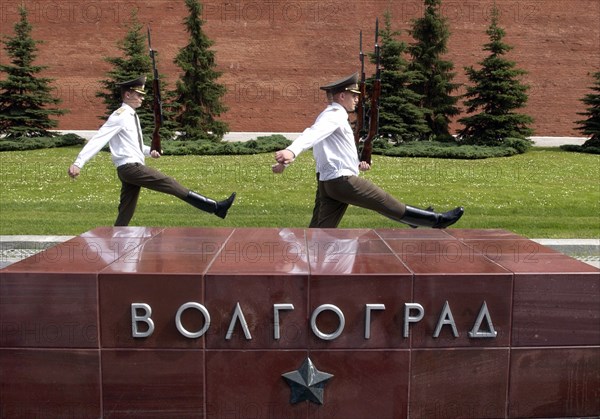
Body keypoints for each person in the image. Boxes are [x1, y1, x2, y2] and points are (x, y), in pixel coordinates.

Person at [273, 73, 464, 228]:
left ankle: (305, 268)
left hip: (329, 183)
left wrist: (286, 162)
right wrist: (292, 151)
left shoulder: (329, 115)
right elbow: (312, 134)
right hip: (342, 182)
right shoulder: (334, 115)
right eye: (353, 95)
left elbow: (327, 148)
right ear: (342, 96)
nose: (357, 99)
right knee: (384, 201)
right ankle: (436, 221)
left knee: (320, 230)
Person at [68, 76, 235, 226]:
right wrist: (78, 163)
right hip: (131, 168)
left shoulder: (130, 115)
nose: (142, 97)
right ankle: (215, 207)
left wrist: (150, 151)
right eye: (138, 94)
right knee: (169, 183)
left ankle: (117, 237)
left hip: (129, 168)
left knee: (127, 209)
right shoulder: (120, 115)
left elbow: (133, 145)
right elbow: (99, 138)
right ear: (127, 95)